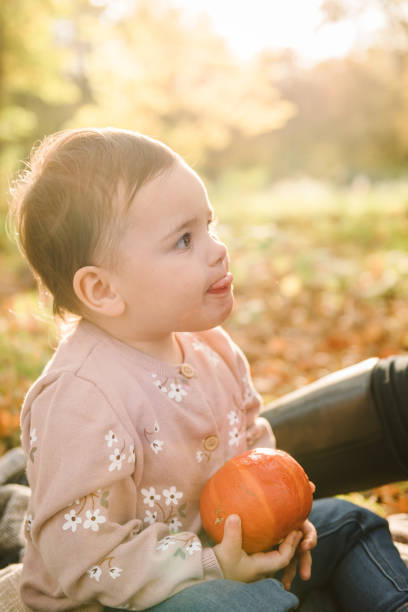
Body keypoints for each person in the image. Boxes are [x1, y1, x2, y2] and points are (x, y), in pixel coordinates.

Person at [9, 127, 408, 612]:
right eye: (183, 240)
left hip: (227, 556)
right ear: (103, 291)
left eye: (209, 226)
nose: (218, 249)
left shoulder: (210, 346)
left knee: (350, 525)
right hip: (120, 601)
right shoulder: (80, 397)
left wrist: (280, 519)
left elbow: (251, 446)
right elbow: (87, 559)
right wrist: (213, 567)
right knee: (240, 603)